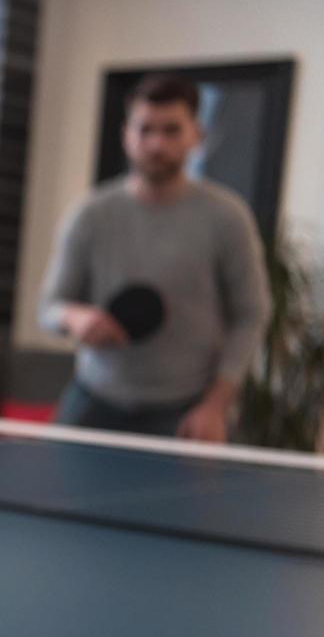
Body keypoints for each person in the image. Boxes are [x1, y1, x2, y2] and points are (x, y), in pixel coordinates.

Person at [38, 73, 271, 441]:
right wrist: (74, 316)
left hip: (183, 411)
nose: (156, 143)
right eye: (145, 129)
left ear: (198, 135)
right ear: (126, 135)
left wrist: (215, 406)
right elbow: (48, 306)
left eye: (171, 130)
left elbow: (251, 313)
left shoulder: (227, 217)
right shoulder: (89, 215)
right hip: (94, 402)